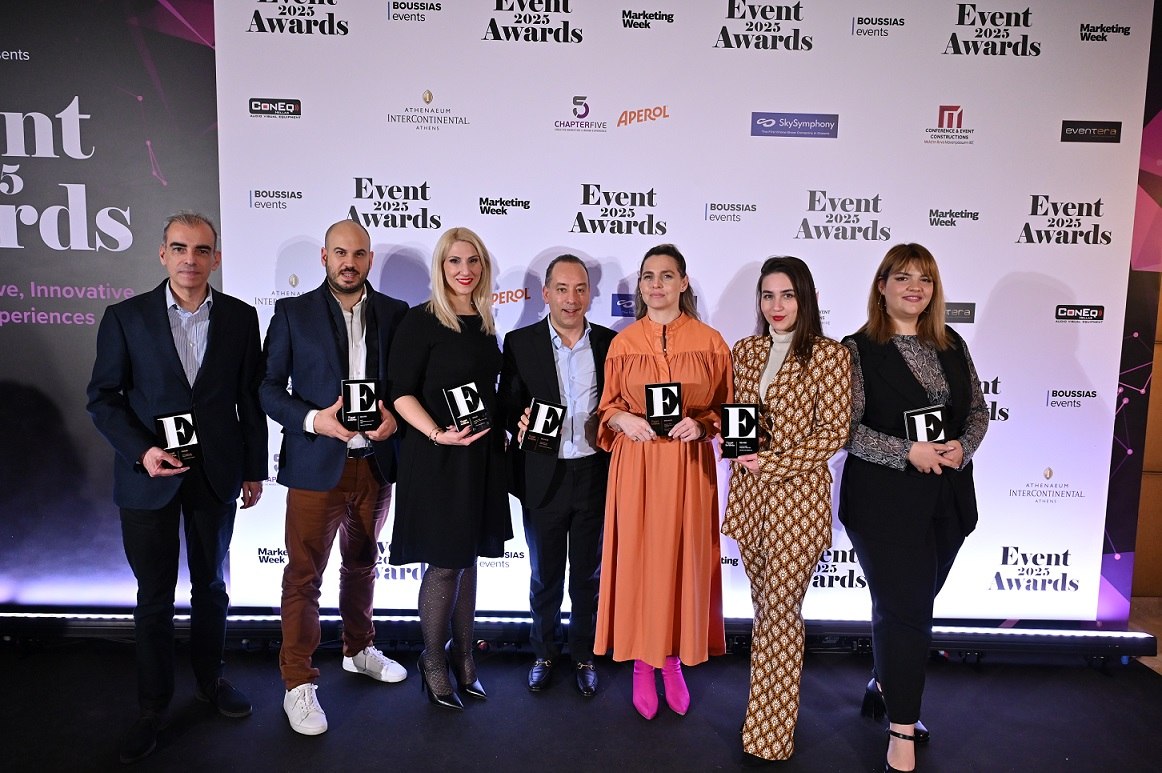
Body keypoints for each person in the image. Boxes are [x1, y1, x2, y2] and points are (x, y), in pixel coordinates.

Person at [86, 212, 267, 764]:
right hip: (148, 478)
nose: (191, 259)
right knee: (153, 596)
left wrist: (253, 469)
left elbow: (250, 399)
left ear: (216, 258)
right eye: (180, 248)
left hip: (215, 473)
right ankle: (152, 707)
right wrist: (142, 451)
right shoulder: (125, 318)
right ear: (162, 254)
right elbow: (103, 399)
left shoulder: (241, 318)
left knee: (211, 586)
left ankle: (211, 682)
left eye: (202, 249)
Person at [839, 243, 988, 773]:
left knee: (910, 606)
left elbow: (977, 412)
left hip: (948, 501)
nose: (915, 288)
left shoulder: (952, 343)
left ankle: (885, 682)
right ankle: (902, 728)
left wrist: (962, 447)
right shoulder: (855, 350)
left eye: (924, 279)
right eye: (902, 277)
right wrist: (907, 451)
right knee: (906, 611)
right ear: (882, 286)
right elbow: (845, 429)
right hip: (884, 505)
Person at [260, 218, 410, 736]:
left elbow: (406, 384)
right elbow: (268, 388)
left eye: (359, 254)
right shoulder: (293, 312)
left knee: (363, 564)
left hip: (375, 463)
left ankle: (359, 648)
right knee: (303, 577)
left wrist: (395, 419)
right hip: (315, 465)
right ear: (325, 257)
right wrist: (312, 420)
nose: (350, 262)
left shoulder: (395, 312)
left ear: (370, 259)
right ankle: (298, 683)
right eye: (340, 253)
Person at [721, 256, 851, 763]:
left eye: (788, 295)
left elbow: (832, 434)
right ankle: (763, 721)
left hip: (798, 505)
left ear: (806, 298)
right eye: (768, 295)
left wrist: (770, 462)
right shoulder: (746, 351)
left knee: (780, 615)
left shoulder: (830, 355)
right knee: (766, 613)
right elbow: (740, 419)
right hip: (751, 503)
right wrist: (733, 443)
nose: (776, 306)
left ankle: (770, 735)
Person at [594, 243, 732, 719]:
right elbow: (606, 408)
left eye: (667, 275)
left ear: (683, 282)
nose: (657, 285)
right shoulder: (623, 343)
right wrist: (621, 419)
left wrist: (704, 424)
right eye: (648, 276)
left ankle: (672, 661)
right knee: (638, 562)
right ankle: (641, 663)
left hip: (689, 467)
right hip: (637, 466)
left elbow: (728, 410)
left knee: (681, 561)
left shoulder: (711, 342)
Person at [387, 226, 512, 711]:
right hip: (437, 458)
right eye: (455, 261)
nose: (465, 270)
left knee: (468, 559)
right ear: (441, 267)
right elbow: (400, 393)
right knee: (444, 564)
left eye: (473, 261)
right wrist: (438, 434)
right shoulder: (420, 321)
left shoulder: (485, 322)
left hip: (479, 458)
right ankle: (433, 661)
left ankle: (464, 657)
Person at [498, 255, 616, 697]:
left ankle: (583, 655)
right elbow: (507, 404)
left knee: (586, 576)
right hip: (542, 474)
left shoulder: (609, 343)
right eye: (562, 289)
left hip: (593, 472)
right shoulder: (520, 342)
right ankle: (544, 653)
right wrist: (517, 421)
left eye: (580, 288)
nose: (572, 298)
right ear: (546, 294)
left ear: (590, 294)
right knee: (544, 575)